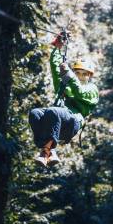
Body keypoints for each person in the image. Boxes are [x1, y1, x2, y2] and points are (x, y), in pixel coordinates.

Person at [28, 33, 99, 166]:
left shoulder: (92, 89)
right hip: (58, 122)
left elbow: (80, 92)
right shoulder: (68, 83)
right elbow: (56, 70)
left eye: (85, 74)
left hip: (73, 122)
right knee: (35, 113)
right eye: (78, 73)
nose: (81, 76)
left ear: (89, 76)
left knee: (53, 111)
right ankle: (49, 150)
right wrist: (57, 48)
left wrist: (70, 76)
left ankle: (46, 151)